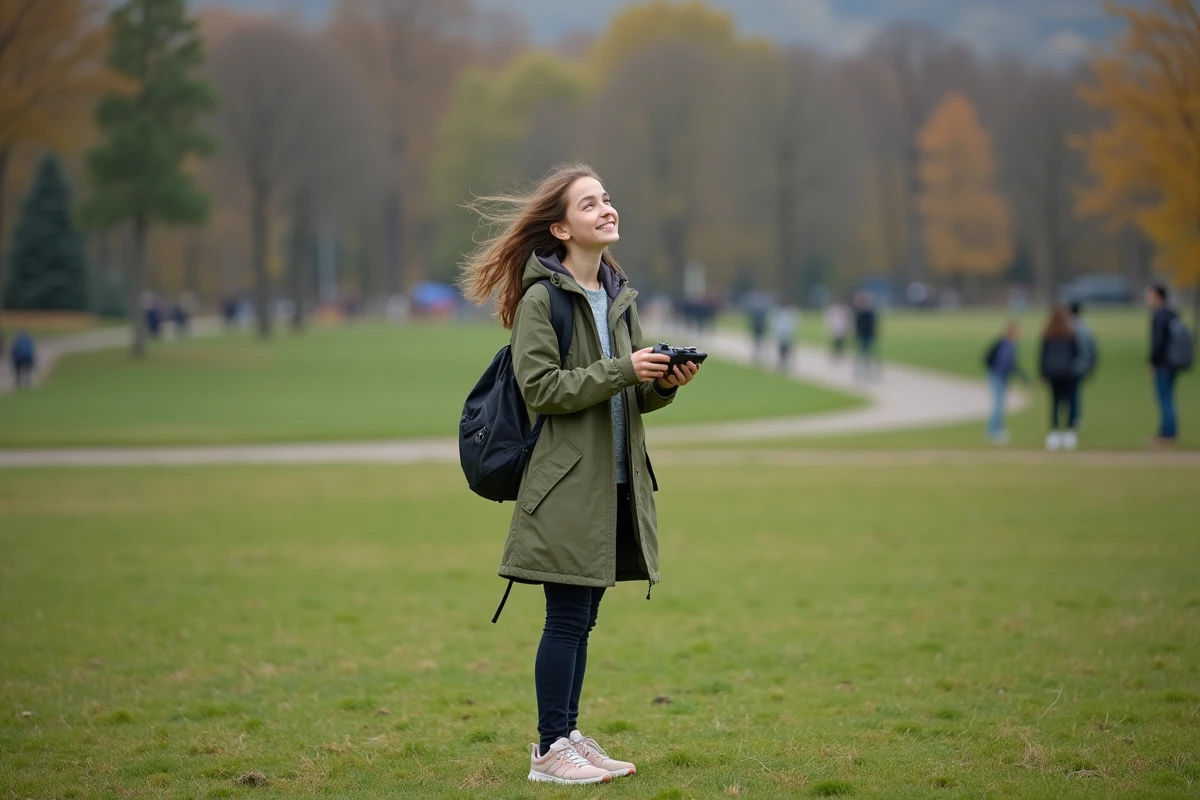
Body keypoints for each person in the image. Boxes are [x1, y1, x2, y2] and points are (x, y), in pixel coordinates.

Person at [458, 163, 700, 786]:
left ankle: (565, 733)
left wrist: (663, 384)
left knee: (582, 616)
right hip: (565, 484)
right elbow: (540, 389)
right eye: (590, 204)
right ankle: (548, 750)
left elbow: (631, 396)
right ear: (562, 228)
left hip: (614, 483)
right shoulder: (543, 300)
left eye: (608, 199)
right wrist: (626, 368)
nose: (606, 209)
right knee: (565, 618)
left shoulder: (618, 295)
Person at [1040, 306, 1081, 450]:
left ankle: (1054, 433)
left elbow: (1043, 357)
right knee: (1069, 402)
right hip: (1067, 373)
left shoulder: (1047, 335)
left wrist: (1043, 375)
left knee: (1055, 403)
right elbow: (1076, 354)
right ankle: (1069, 433)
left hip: (1053, 374)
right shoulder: (1069, 334)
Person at [983, 322, 1028, 444]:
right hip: (997, 376)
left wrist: (1023, 377)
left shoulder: (1012, 345)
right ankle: (994, 431)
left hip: (1003, 377)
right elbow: (1002, 363)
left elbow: (1012, 365)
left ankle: (997, 429)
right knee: (998, 403)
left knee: (1001, 403)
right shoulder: (1004, 345)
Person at [1146, 283, 1180, 444]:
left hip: (1163, 364)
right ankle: (1169, 431)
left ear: (1158, 296)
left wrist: (1153, 362)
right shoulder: (1171, 315)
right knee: (1168, 397)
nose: (1148, 298)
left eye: (1150, 295)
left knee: (1164, 398)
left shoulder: (1160, 317)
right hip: (1173, 362)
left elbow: (1158, 343)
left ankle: (1167, 433)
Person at [1068, 301, 1098, 428]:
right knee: (1075, 394)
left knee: (1067, 395)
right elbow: (1092, 349)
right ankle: (1075, 420)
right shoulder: (1086, 327)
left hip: (1068, 367)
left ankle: (1070, 420)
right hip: (1081, 366)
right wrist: (1091, 366)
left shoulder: (1067, 327)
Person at [853, 291, 879, 379]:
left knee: (870, 354)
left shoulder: (869, 313)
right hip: (861, 336)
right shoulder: (859, 313)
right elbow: (857, 326)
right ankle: (860, 372)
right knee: (861, 354)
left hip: (869, 336)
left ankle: (870, 372)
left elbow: (873, 325)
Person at [771, 304, 798, 372]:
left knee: (784, 349)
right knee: (783, 349)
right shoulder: (786, 313)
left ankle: (783, 362)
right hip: (784, 335)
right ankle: (783, 362)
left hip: (785, 335)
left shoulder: (783, 313)